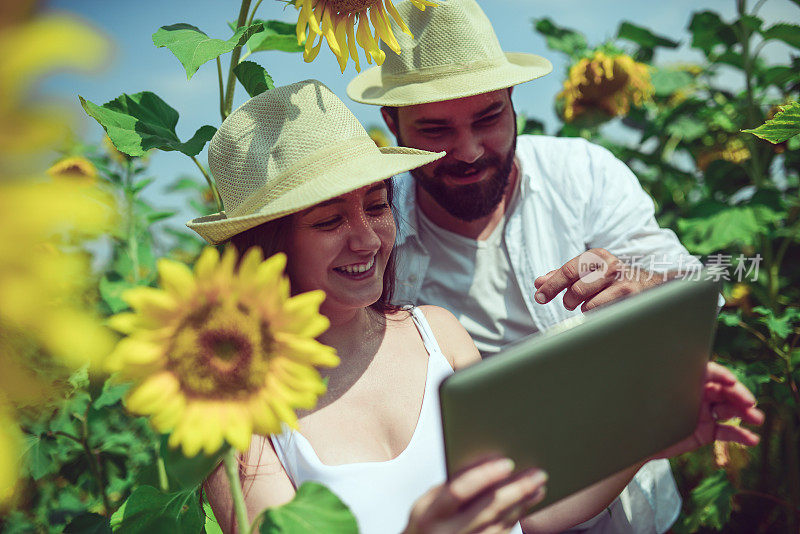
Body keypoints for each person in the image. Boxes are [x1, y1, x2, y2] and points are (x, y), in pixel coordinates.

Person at [193, 81, 762, 534]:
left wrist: (653, 432)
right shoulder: (235, 414)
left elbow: (530, 511)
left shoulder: (435, 331)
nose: (367, 240)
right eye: (329, 221)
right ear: (265, 246)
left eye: (375, 206)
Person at [346, 0, 736, 531]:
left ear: (513, 102)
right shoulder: (375, 226)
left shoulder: (582, 173)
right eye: (435, 130)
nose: (467, 151)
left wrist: (641, 285)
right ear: (391, 123)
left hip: (632, 501)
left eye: (487, 118)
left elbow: (701, 287)